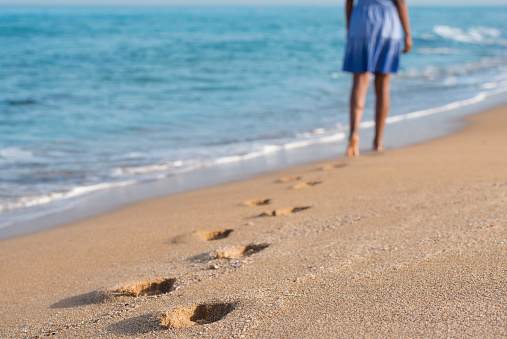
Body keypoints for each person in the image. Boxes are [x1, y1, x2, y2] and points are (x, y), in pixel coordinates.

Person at [343, 0, 412, 156]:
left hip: (361, 20)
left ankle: (354, 133)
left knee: (359, 82)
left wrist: (349, 27)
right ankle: (378, 141)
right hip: (387, 22)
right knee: (383, 85)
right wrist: (407, 33)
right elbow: (400, 2)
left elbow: (348, 2)